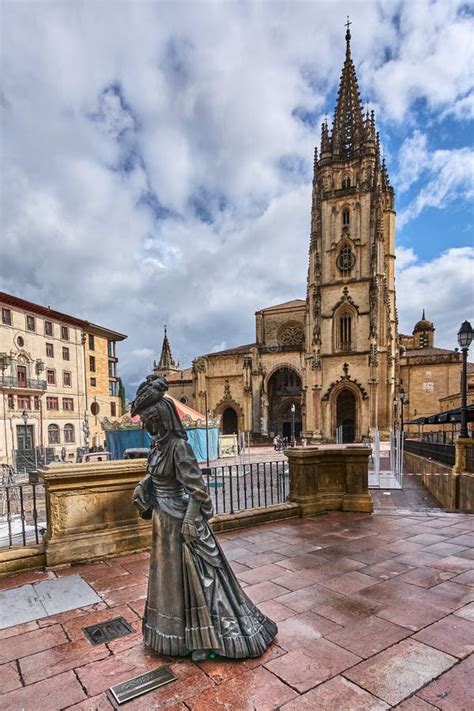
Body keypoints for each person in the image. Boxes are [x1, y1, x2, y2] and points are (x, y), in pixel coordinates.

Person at [131, 374, 277, 661]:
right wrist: (144, 485)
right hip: (163, 520)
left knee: (197, 579)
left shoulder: (178, 447)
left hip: (180, 520)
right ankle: (172, 633)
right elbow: (156, 475)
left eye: (150, 422)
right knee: (169, 580)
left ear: (160, 419)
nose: (148, 428)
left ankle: (204, 638)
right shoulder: (159, 446)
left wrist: (189, 521)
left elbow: (198, 491)